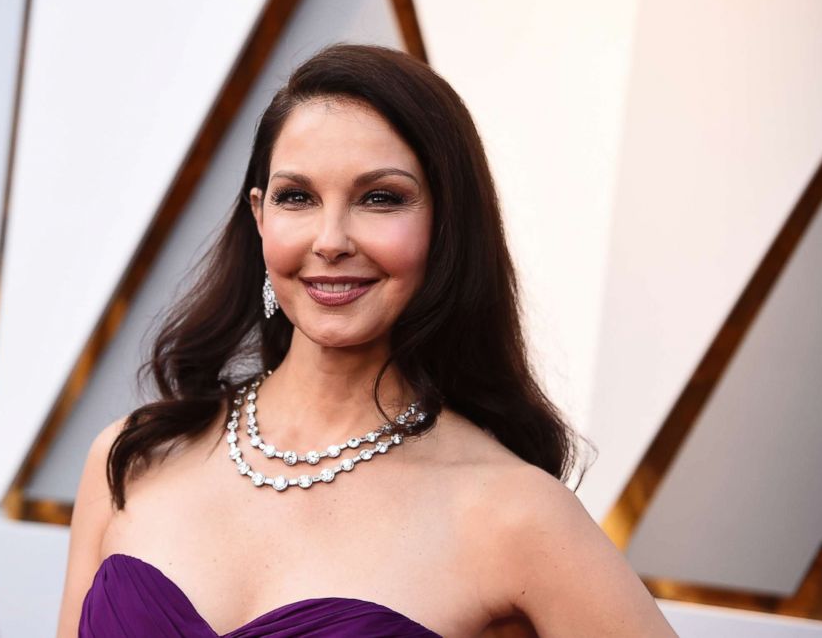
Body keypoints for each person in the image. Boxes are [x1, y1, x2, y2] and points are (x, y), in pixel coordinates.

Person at [56, 43, 677, 637]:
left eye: (380, 198)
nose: (331, 240)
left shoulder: (514, 515)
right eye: (296, 197)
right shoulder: (132, 459)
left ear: (446, 223)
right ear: (259, 216)